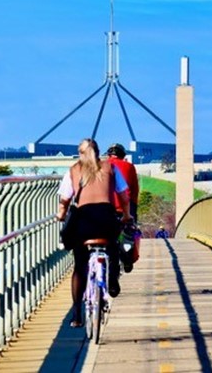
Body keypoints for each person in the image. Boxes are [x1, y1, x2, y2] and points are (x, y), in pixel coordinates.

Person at [57, 138, 131, 327]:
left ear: (80, 154)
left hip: (83, 221)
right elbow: (124, 194)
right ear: (99, 153)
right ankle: (113, 280)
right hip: (106, 217)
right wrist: (126, 216)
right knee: (113, 245)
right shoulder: (110, 168)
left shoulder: (73, 170)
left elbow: (65, 199)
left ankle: (76, 314)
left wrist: (61, 214)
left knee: (80, 266)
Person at [106, 143, 139, 222]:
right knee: (128, 233)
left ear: (109, 155)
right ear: (123, 155)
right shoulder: (129, 166)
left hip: (105, 209)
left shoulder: (101, 165)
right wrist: (133, 210)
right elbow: (135, 191)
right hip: (125, 210)